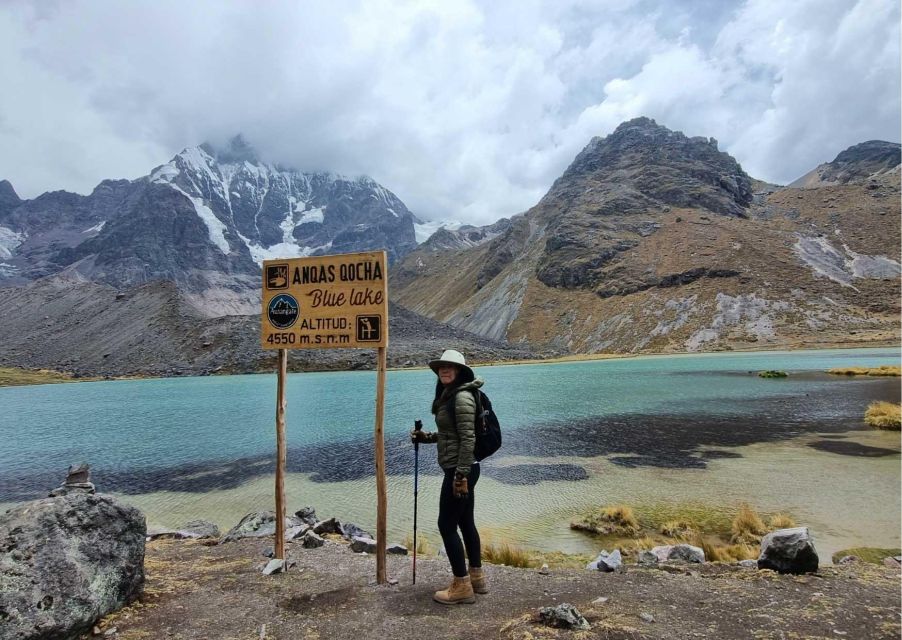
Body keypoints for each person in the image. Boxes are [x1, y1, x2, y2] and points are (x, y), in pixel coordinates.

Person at [411, 349, 487, 605]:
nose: (444, 370)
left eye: (450, 367)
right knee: (465, 522)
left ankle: (461, 586)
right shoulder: (451, 396)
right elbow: (451, 435)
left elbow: (468, 439)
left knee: (446, 525)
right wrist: (427, 437)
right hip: (462, 467)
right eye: (441, 367)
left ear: (460, 371)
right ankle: (476, 578)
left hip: (460, 470)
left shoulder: (462, 397)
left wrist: (461, 475)